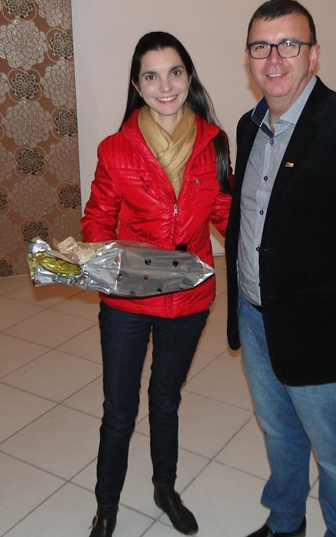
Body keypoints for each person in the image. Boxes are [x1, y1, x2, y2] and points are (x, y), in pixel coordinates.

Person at [224, 0, 336, 537]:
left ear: (314, 54)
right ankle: (286, 523)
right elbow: (250, 217)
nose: (274, 58)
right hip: (257, 318)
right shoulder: (249, 126)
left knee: (335, 455)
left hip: (321, 333)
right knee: (280, 434)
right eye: (261, 46)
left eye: (289, 44)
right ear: (248, 57)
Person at [81, 31, 232, 537]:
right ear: (137, 86)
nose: (165, 86)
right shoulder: (115, 149)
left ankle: (165, 489)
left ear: (188, 78)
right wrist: (98, 259)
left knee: (166, 400)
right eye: (151, 76)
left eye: (174, 73)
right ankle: (106, 507)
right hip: (128, 298)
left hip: (189, 296)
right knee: (119, 410)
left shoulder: (214, 144)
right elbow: (98, 218)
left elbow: (226, 212)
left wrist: (272, 249)